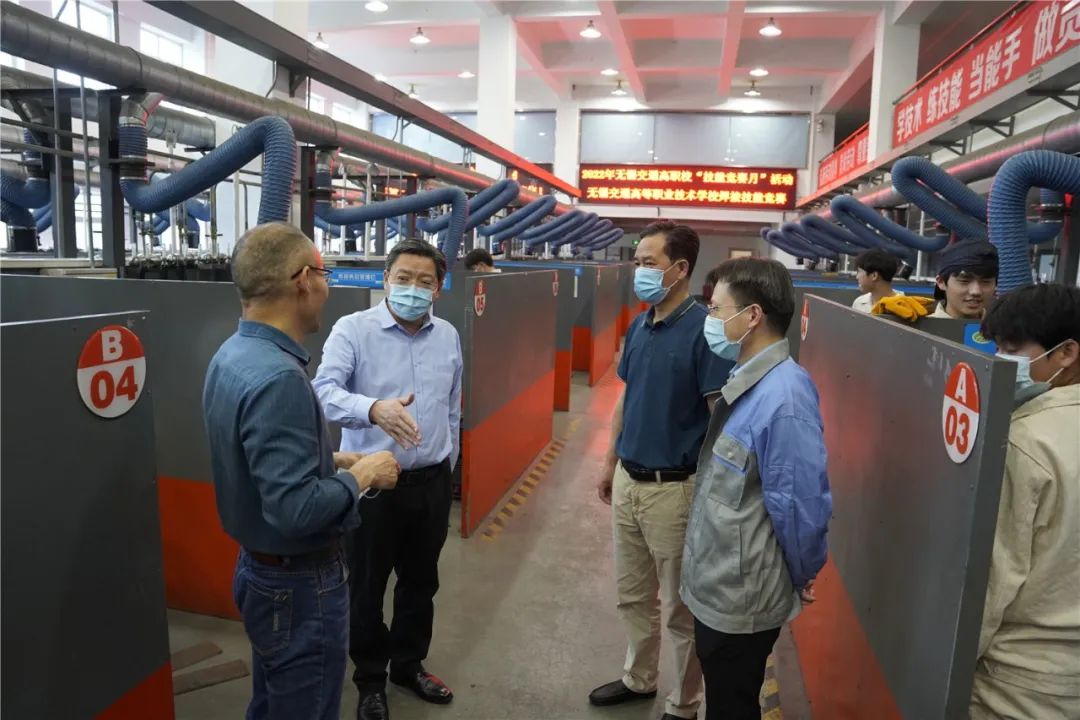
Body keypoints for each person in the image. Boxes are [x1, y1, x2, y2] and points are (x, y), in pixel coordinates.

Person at [202, 222, 400, 720]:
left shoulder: (233, 355)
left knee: (272, 703)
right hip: (300, 585)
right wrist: (363, 475)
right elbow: (296, 510)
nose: (327, 286)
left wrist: (331, 461)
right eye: (325, 273)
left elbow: (258, 463)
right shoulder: (279, 378)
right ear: (303, 280)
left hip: (261, 572)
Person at [313, 240, 463, 720]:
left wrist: (448, 463)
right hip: (373, 486)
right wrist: (372, 408)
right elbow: (322, 393)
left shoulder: (448, 336)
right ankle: (371, 678)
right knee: (366, 587)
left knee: (421, 582)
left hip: (432, 484)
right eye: (403, 278)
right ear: (386, 279)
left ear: (438, 288)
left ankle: (408, 665)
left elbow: (453, 405)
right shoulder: (353, 330)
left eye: (424, 281)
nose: (413, 288)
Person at [591, 221, 733, 720]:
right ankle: (639, 677)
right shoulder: (640, 325)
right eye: (639, 262)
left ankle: (685, 702)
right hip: (629, 480)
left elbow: (720, 418)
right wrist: (610, 462)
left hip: (675, 489)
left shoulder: (706, 332)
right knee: (633, 596)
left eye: (649, 263)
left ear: (680, 269)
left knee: (679, 607)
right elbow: (627, 396)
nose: (640, 271)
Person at [684, 257, 831, 720]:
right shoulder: (750, 378)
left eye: (716, 309)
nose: (710, 319)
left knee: (732, 704)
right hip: (721, 585)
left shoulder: (784, 398)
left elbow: (800, 506)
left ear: (751, 316)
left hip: (741, 597)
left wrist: (802, 573)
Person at [970, 283, 1080, 720]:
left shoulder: (1024, 442)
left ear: (1066, 352)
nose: (1001, 360)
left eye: (1013, 349)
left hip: (1017, 684)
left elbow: (992, 583)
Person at [930, 239, 998, 319]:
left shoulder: (1002, 326)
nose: (976, 291)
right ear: (941, 282)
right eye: (964, 281)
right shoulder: (921, 325)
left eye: (985, 282)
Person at [851, 248, 903, 313]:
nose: (857, 277)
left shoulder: (905, 307)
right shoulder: (858, 303)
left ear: (874, 275)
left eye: (859, 271)